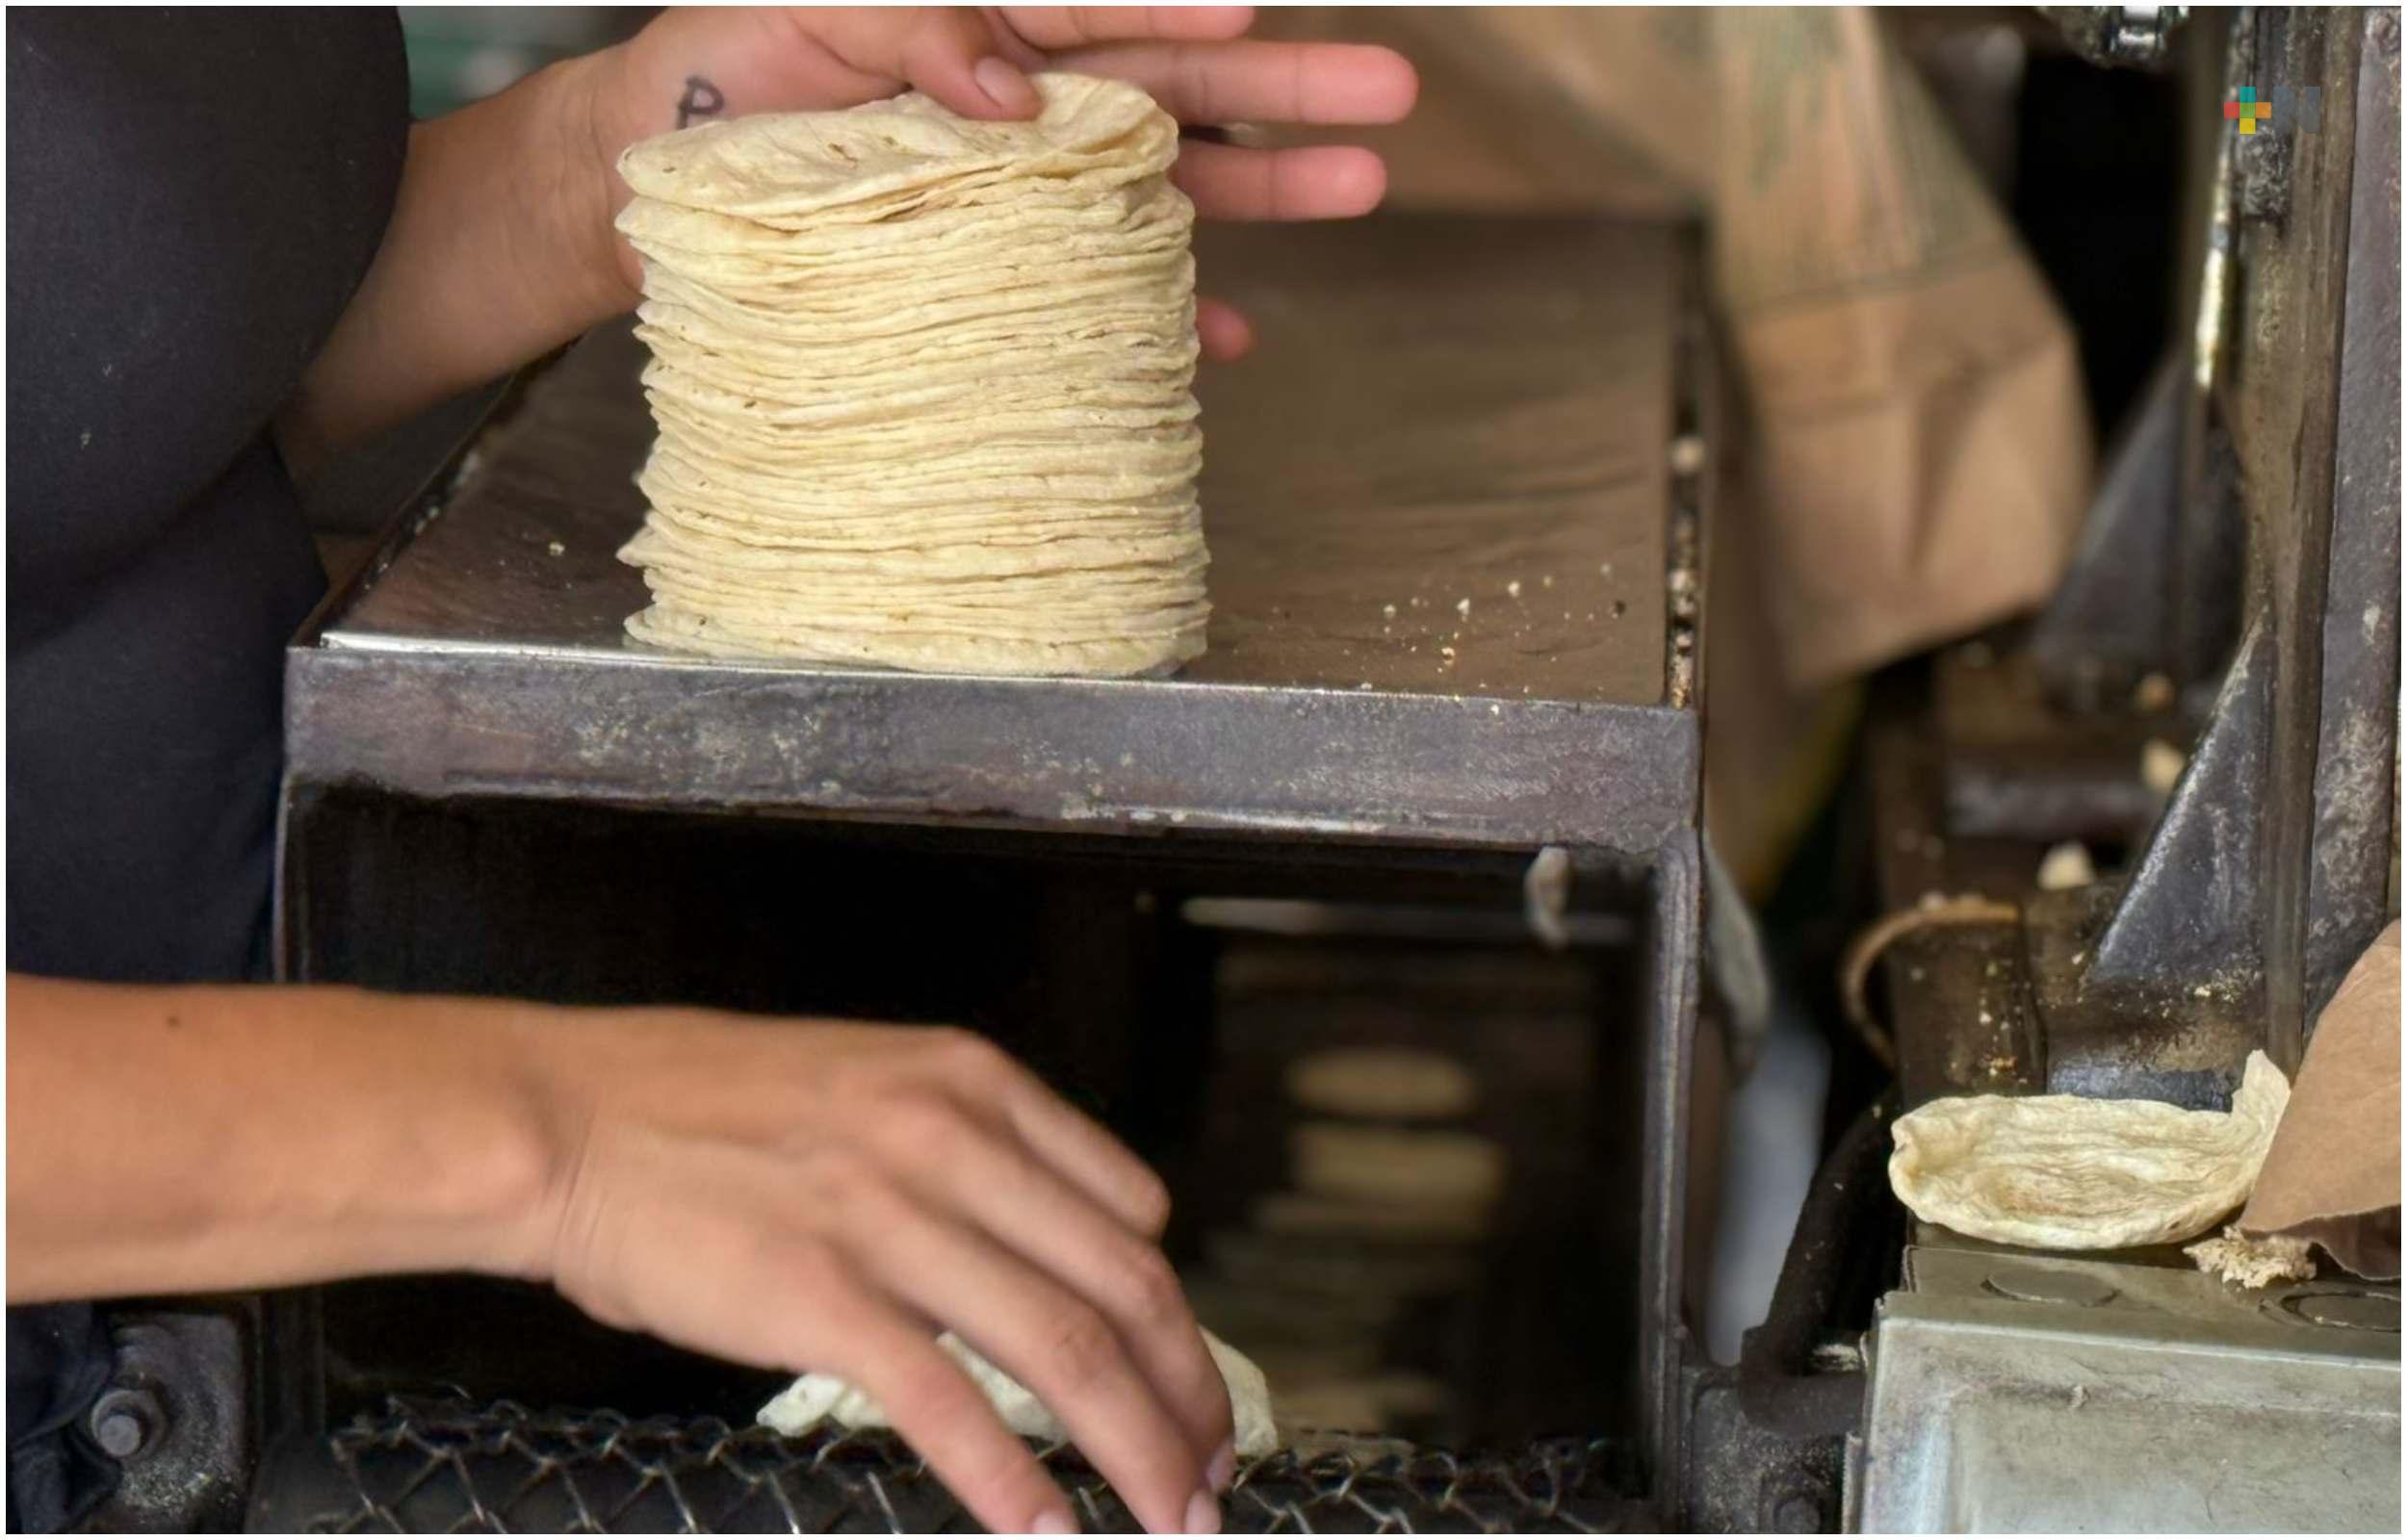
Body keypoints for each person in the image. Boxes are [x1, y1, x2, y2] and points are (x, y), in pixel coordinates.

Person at [5, 8, 1416, 1532]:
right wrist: (561, 1144)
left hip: (365, 1265)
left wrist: (624, 163)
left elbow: (86, 419)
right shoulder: (541, 1145)